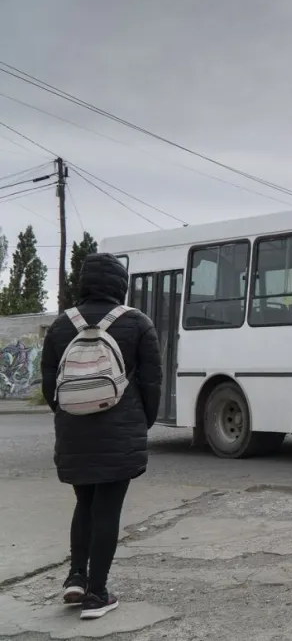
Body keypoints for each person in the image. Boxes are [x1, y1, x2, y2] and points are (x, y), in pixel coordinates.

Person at [41, 253, 162, 620]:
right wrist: (143, 422)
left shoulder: (62, 326)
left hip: (74, 430)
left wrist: (71, 415)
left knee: (85, 504)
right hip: (120, 430)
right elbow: (152, 383)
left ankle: (76, 578)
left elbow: (50, 386)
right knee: (107, 509)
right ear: (119, 284)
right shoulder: (138, 323)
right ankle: (97, 594)